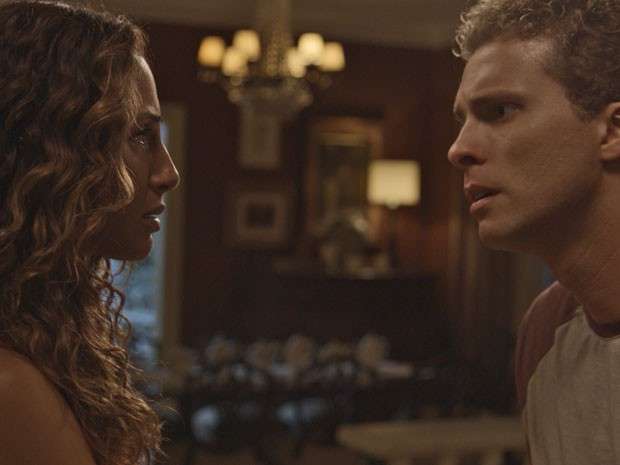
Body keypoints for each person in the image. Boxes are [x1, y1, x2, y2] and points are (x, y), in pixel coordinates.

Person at [0, 1, 180, 465]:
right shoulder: (12, 387)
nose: (168, 173)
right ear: (50, 153)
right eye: (140, 136)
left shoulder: (44, 330)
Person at [448, 0, 620, 463]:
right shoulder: (546, 328)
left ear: (612, 131)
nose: (458, 149)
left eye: (500, 111)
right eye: (463, 120)